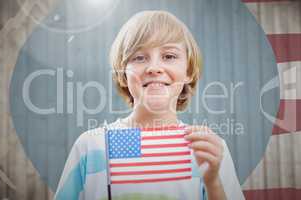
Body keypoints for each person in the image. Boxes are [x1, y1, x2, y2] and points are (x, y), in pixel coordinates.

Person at [55, 10, 245, 200]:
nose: (154, 68)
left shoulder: (208, 151)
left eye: (169, 56)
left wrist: (213, 183)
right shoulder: (91, 146)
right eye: (139, 57)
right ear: (123, 75)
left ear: (188, 71)